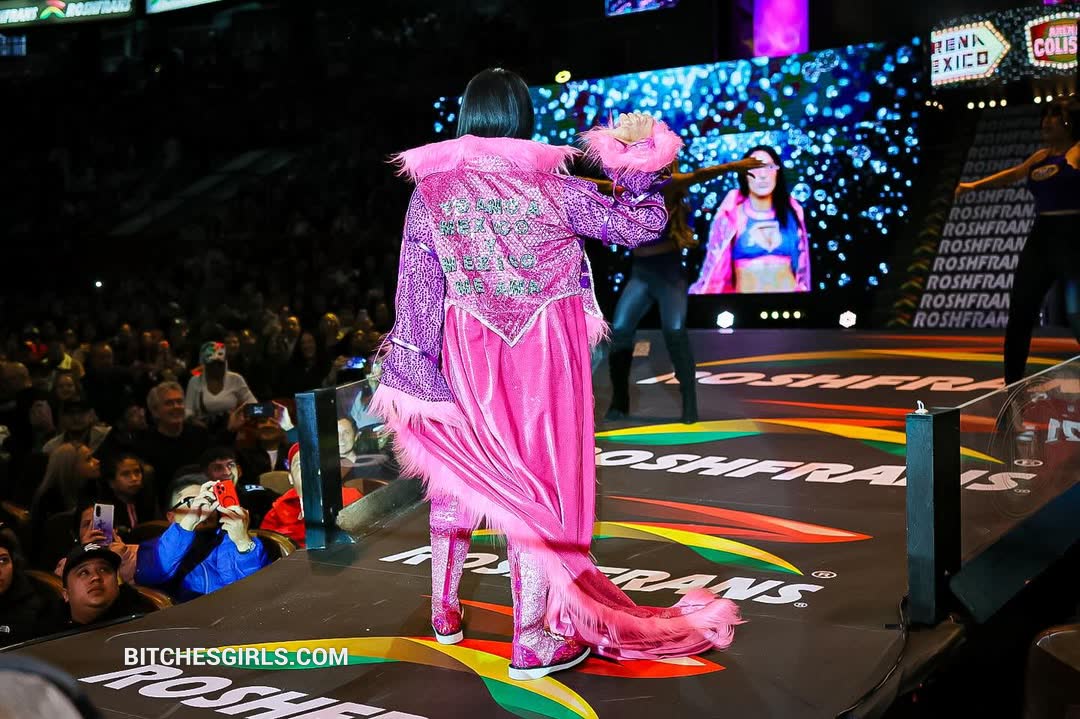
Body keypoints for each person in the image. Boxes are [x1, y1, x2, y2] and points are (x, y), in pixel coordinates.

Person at [371, 68, 740, 682]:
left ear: (466, 117)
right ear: (523, 117)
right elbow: (638, 227)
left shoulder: (430, 192)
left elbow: (417, 292)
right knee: (541, 486)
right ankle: (533, 639)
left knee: (461, 474)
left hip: (466, 353)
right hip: (541, 359)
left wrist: (416, 376)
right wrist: (635, 160)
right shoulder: (551, 186)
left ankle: (444, 612)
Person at [601, 154, 765, 423]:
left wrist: (735, 166)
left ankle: (689, 402)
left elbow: (699, 175)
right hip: (640, 273)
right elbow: (598, 185)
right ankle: (620, 402)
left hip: (669, 273)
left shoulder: (668, 184)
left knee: (675, 331)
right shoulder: (628, 186)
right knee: (620, 330)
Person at [955, 99, 1080, 385]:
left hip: (1073, 237)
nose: (1047, 121)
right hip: (1042, 235)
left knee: (1077, 314)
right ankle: (1012, 383)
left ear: (1070, 122)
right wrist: (973, 186)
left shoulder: (1078, 151)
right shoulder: (1041, 157)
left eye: (1055, 116)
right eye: (1045, 116)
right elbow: (1012, 175)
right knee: (1020, 311)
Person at [690, 145, 810, 296]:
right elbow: (713, 265)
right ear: (744, 175)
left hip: (788, 304)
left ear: (777, 172)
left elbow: (802, 268)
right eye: (754, 168)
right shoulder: (731, 214)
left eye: (769, 167)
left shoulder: (792, 212)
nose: (762, 175)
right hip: (746, 306)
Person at [135, 475, 267, 601]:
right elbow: (149, 576)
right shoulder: (155, 548)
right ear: (171, 516)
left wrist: (243, 542)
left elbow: (256, 588)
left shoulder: (232, 539)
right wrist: (188, 524)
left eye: (209, 499)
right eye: (191, 501)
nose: (203, 507)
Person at [259, 444, 362, 548]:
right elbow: (269, 550)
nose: (309, 471)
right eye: (300, 465)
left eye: (316, 464)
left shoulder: (352, 499)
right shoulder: (277, 514)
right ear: (291, 478)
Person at [184, 342, 256, 433]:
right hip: (201, 431)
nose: (216, 368)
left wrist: (241, 415)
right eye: (212, 364)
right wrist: (192, 420)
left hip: (231, 430)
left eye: (220, 364)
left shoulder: (235, 379)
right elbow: (188, 409)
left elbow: (253, 404)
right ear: (204, 364)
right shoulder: (195, 381)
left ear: (225, 362)